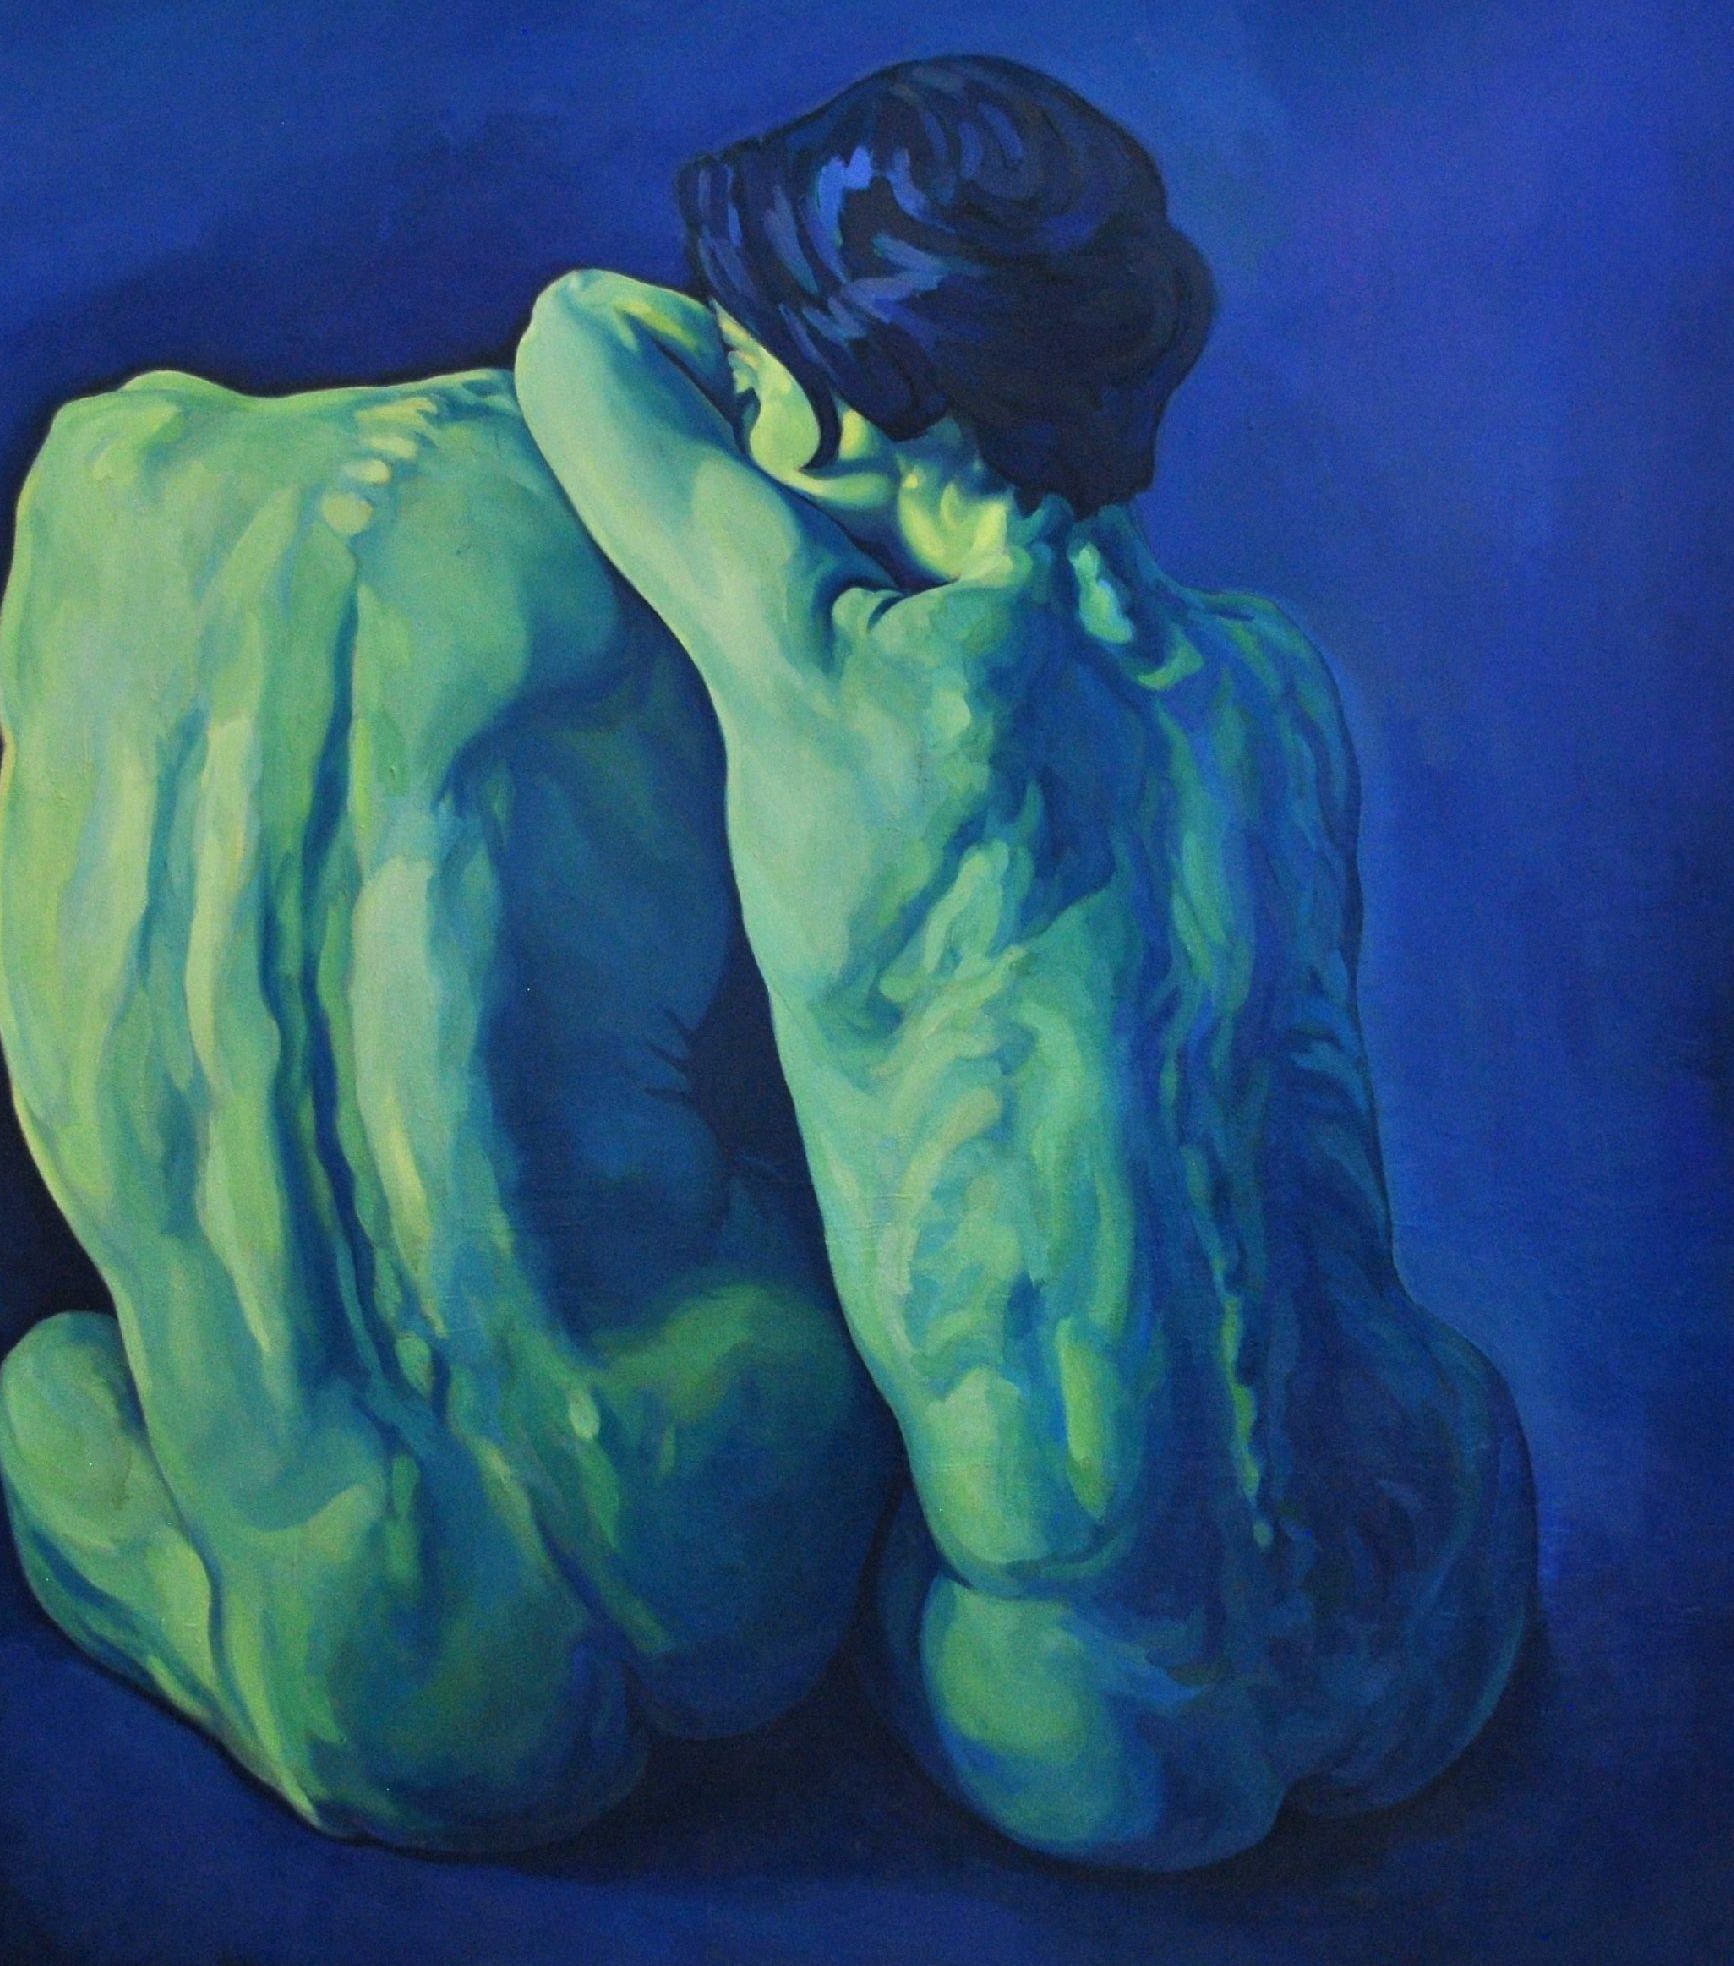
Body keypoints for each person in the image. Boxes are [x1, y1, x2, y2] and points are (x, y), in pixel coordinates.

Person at [517, 53, 1536, 1869]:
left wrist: (799, 365)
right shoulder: (1271, 685)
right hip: (1443, 1586)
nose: (739, 387)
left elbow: (574, 337)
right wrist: (887, 345)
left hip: (1103, 1706)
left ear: (843, 398)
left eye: (756, 362)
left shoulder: (859, 679)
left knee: (786, 1555)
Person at [0, 365, 894, 1850]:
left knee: (48, 1388)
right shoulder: (612, 499)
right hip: (740, 1498)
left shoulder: (87, 494)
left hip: (345, 1654)